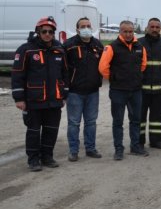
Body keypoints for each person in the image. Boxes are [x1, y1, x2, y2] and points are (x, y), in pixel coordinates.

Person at [12, 16, 68, 171]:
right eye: (44, 31)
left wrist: (64, 95)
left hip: (54, 100)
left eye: (50, 31)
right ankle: (33, 160)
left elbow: (65, 73)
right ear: (38, 32)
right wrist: (19, 98)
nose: (47, 34)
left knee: (51, 130)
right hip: (34, 100)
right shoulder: (26, 49)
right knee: (33, 132)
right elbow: (17, 74)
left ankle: (47, 157)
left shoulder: (59, 49)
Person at [98, 20, 148, 160]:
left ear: (133, 32)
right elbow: (102, 67)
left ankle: (135, 146)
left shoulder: (140, 47)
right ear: (120, 32)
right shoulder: (111, 47)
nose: (128, 34)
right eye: (125, 31)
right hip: (118, 91)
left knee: (136, 120)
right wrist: (114, 78)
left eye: (130, 31)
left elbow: (143, 65)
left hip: (136, 90)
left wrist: (136, 77)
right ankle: (118, 149)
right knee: (118, 121)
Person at [63, 17, 104, 161]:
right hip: (75, 92)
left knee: (91, 122)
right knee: (74, 123)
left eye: (88, 26)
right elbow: (63, 68)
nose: (86, 28)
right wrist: (65, 88)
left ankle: (90, 149)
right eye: (83, 26)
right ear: (77, 29)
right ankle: (73, 151)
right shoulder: (69, 45)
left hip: (93, 91)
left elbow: (104, 65)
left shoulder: (98, 45)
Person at [139, 18, 161, 149]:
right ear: (147, 28)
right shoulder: (138, 43)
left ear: (160, 29)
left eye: (157, 27)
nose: (154, 29)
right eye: (152, 27)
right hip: (141, 89)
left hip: (159, 89)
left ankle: (155, 141)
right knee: (140, 118)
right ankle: (139, 142)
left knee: (157, 118)